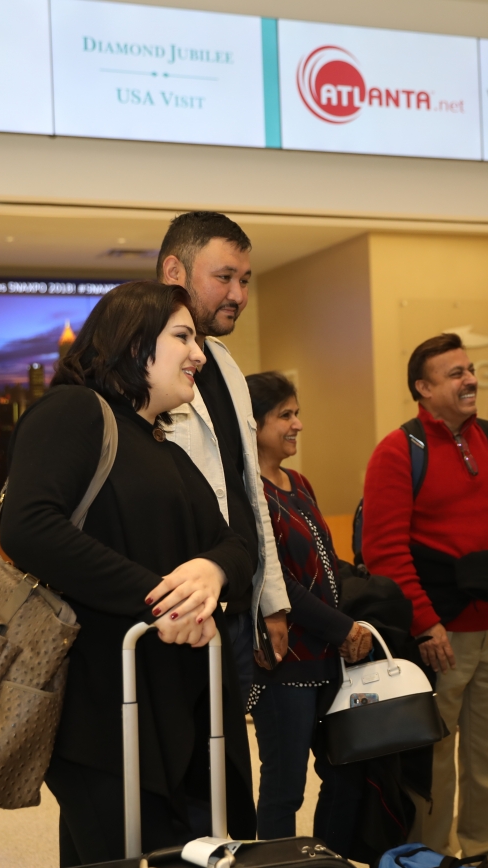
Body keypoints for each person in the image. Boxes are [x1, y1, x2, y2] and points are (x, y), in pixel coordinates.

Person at [0, 281, 258, 864]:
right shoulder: (73, 412)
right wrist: (161, 602)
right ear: (135, 343)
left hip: (177, 710)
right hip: (103, 711)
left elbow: (236, 546)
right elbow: (29, 526)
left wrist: (211, 572)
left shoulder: (166, 448)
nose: (198, 354)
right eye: (182, 336)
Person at [361, 333, 488, 864]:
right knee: (433, 759)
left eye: (469, 370)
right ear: (422, 389)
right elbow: (384, 553)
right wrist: (425, 624)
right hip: (440, 635)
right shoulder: (397, 452)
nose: (469, 380)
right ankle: (430, 862)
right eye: (455, 374)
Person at [158, 211, 290, 697]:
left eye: (246, 280)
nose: (239, 294)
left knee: (230, 767)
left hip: (235, 609)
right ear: (175, 273)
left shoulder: (227, 368)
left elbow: (248, 492)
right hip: (175, 617)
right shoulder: (138, 375)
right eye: (224, 278)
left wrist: (270, 601)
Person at [245, 370, 372, 855]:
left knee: (342, 773)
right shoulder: (249, 493)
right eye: (285, 415)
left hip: (328, 658)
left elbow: (323, 561)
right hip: (286, 666)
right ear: (253, 426)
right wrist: (341, 628)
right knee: (285, 787)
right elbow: (278, 584)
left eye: (297, 413)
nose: (298, 424)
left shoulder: (297, 483)